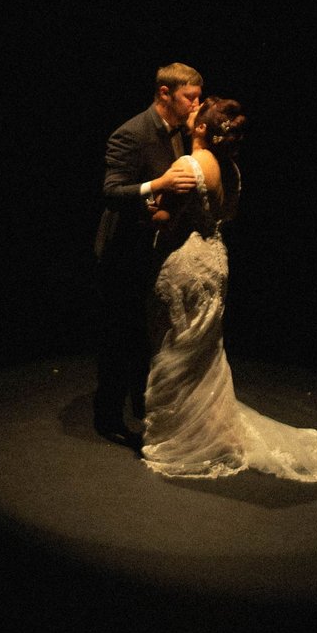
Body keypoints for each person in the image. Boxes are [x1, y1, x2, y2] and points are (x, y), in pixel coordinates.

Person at [137, 98, 317, 484]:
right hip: (214, 260)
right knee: (204, 349)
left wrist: (153, 196)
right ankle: (207, 431)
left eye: (197, 109)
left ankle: (180, 439)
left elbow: (164, 222)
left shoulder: (187, 166)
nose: (192, 110)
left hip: (184, 262)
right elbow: (226, 213)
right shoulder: (231, 168)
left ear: (202, 128)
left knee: (176, 345)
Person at [91, 64, 213, 445]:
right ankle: (108, 417)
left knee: (148, 334)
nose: (196, 105)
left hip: (156, 248)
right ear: (164, 94)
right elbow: (111, 192)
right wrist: (156, 185)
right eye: (188, 97)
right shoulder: (131, 133)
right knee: (121, 334)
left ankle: (145, 407)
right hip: (122, 250)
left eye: (198, 96)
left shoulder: (184, 132)